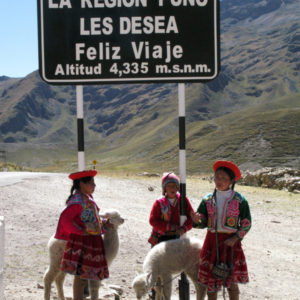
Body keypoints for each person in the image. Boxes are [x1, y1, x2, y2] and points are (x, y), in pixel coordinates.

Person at [191, 160, 251, 300]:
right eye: (217, 176)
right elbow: (203, 221)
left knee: (231, 282)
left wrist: (236, 238)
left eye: (224, 178)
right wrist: (197, 220)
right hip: (212, 243)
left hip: (231, 243)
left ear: (231, 181)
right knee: (211, 283)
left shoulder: (240, 200)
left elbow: (246, 223)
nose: (219, 180)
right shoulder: (207, 199)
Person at [54, 170, 109, 300]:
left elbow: (92, 218)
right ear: (81, 184)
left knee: (85, 276)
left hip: (91, 241)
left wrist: (104, 223)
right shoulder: (77, 201)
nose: (94, 185)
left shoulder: (88, 198)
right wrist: (80, 231)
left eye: (94, 183)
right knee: (80, 277)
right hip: (82, 243)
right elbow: (65, 221)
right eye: (91, 183)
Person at [148, 172, 194, 245]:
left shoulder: (183, 200)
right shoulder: (159, 202)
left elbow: (192, 217)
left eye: (174, 185)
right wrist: (170, 227)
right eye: (169, 185)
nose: (172, 188)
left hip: (178, 237)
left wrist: (183, 228)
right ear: (164, 188)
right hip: (160, 238)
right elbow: (153, 220)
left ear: (178, 187)